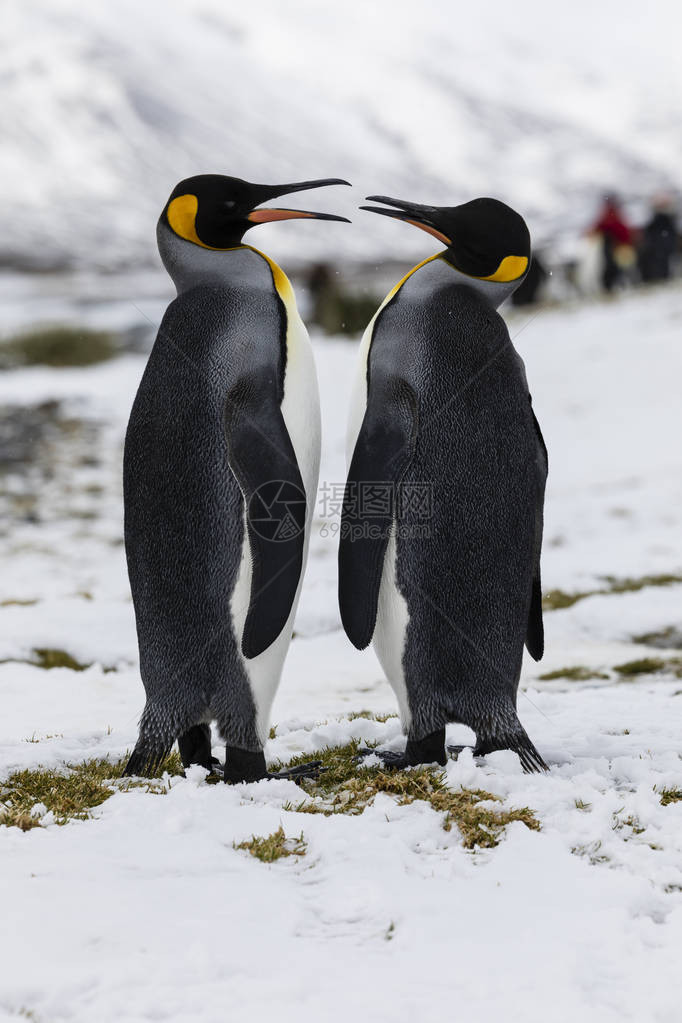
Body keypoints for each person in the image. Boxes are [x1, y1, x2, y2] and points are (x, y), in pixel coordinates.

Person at [590, 195, 635, 292]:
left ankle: (611, 286)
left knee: (613, 269)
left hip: (616, 248)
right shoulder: (614, 216)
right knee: (615, 269)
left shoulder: (609, 216)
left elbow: (598, 229)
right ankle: (613, 286)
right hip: (616, 248)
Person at [638, 195, 678, 283]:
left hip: (661, 246)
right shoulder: (660, 218)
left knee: (662, 264)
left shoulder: (665, 218)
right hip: (658, 247)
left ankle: (661, 279)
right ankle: (658, 279)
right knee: (658, 264)